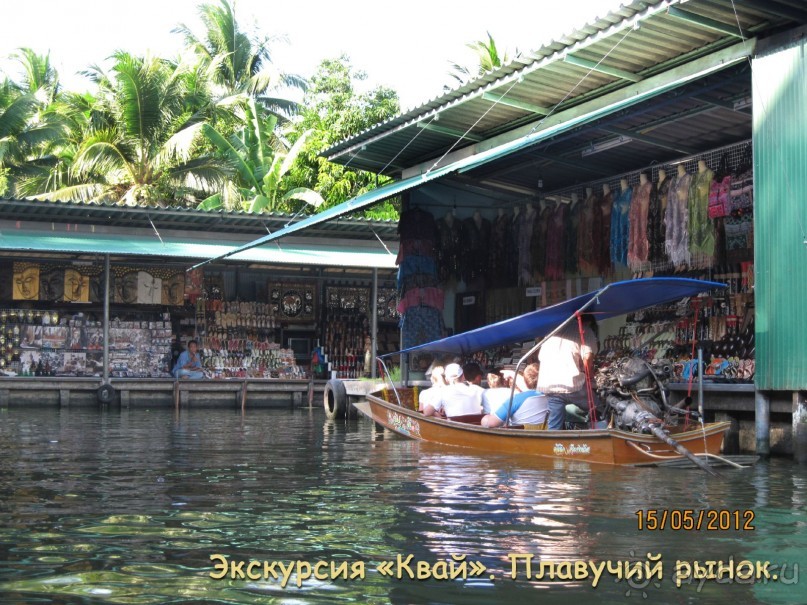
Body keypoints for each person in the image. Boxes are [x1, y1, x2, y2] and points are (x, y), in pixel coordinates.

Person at [537, 314, 598, 430]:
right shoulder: (585, 330)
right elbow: (587, 360)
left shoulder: (552, 330)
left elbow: (540, 357)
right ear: (588, 322)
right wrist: (589, 375)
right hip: (572, 385)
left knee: (555, 426)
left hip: (549, 385)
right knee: (600, 408)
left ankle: (554, 445)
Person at [482, 363, 548, 427]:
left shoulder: (517, 399)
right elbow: (528, 387)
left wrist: (485, 418)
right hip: (544, 435)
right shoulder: (550, 397)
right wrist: (512, 374)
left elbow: (490, 423)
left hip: (520, 436)